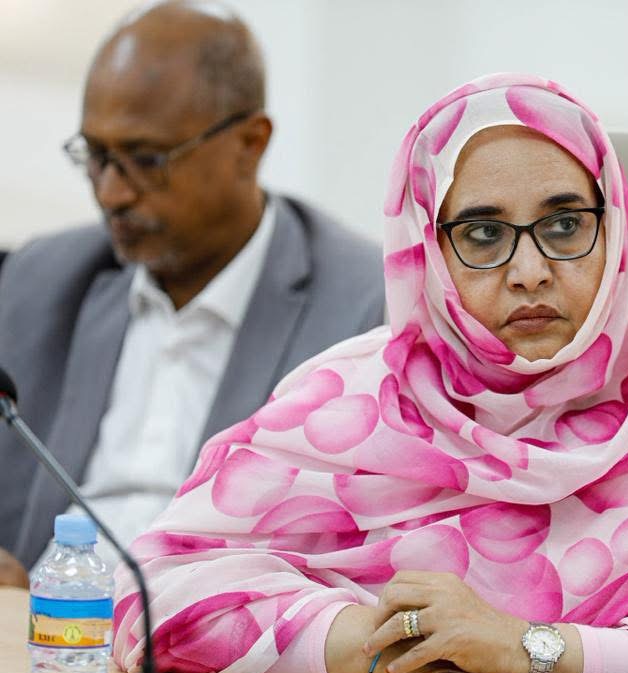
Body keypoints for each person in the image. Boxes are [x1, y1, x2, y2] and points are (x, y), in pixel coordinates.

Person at [113, 74, 628, 673]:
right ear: (429, 252)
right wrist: (385, 651)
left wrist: (525, 650)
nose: (529, 272)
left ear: (617, 228)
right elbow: (151, 593)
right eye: (483, 235)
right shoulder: (351, 398)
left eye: (565, 225)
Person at [0, 1, 384, 582]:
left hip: (218, 631)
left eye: (145, 160)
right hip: (47, 624)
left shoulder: (361, 309)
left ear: (250, 143)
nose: (111, 193)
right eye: (96, 157)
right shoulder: (43, 278)